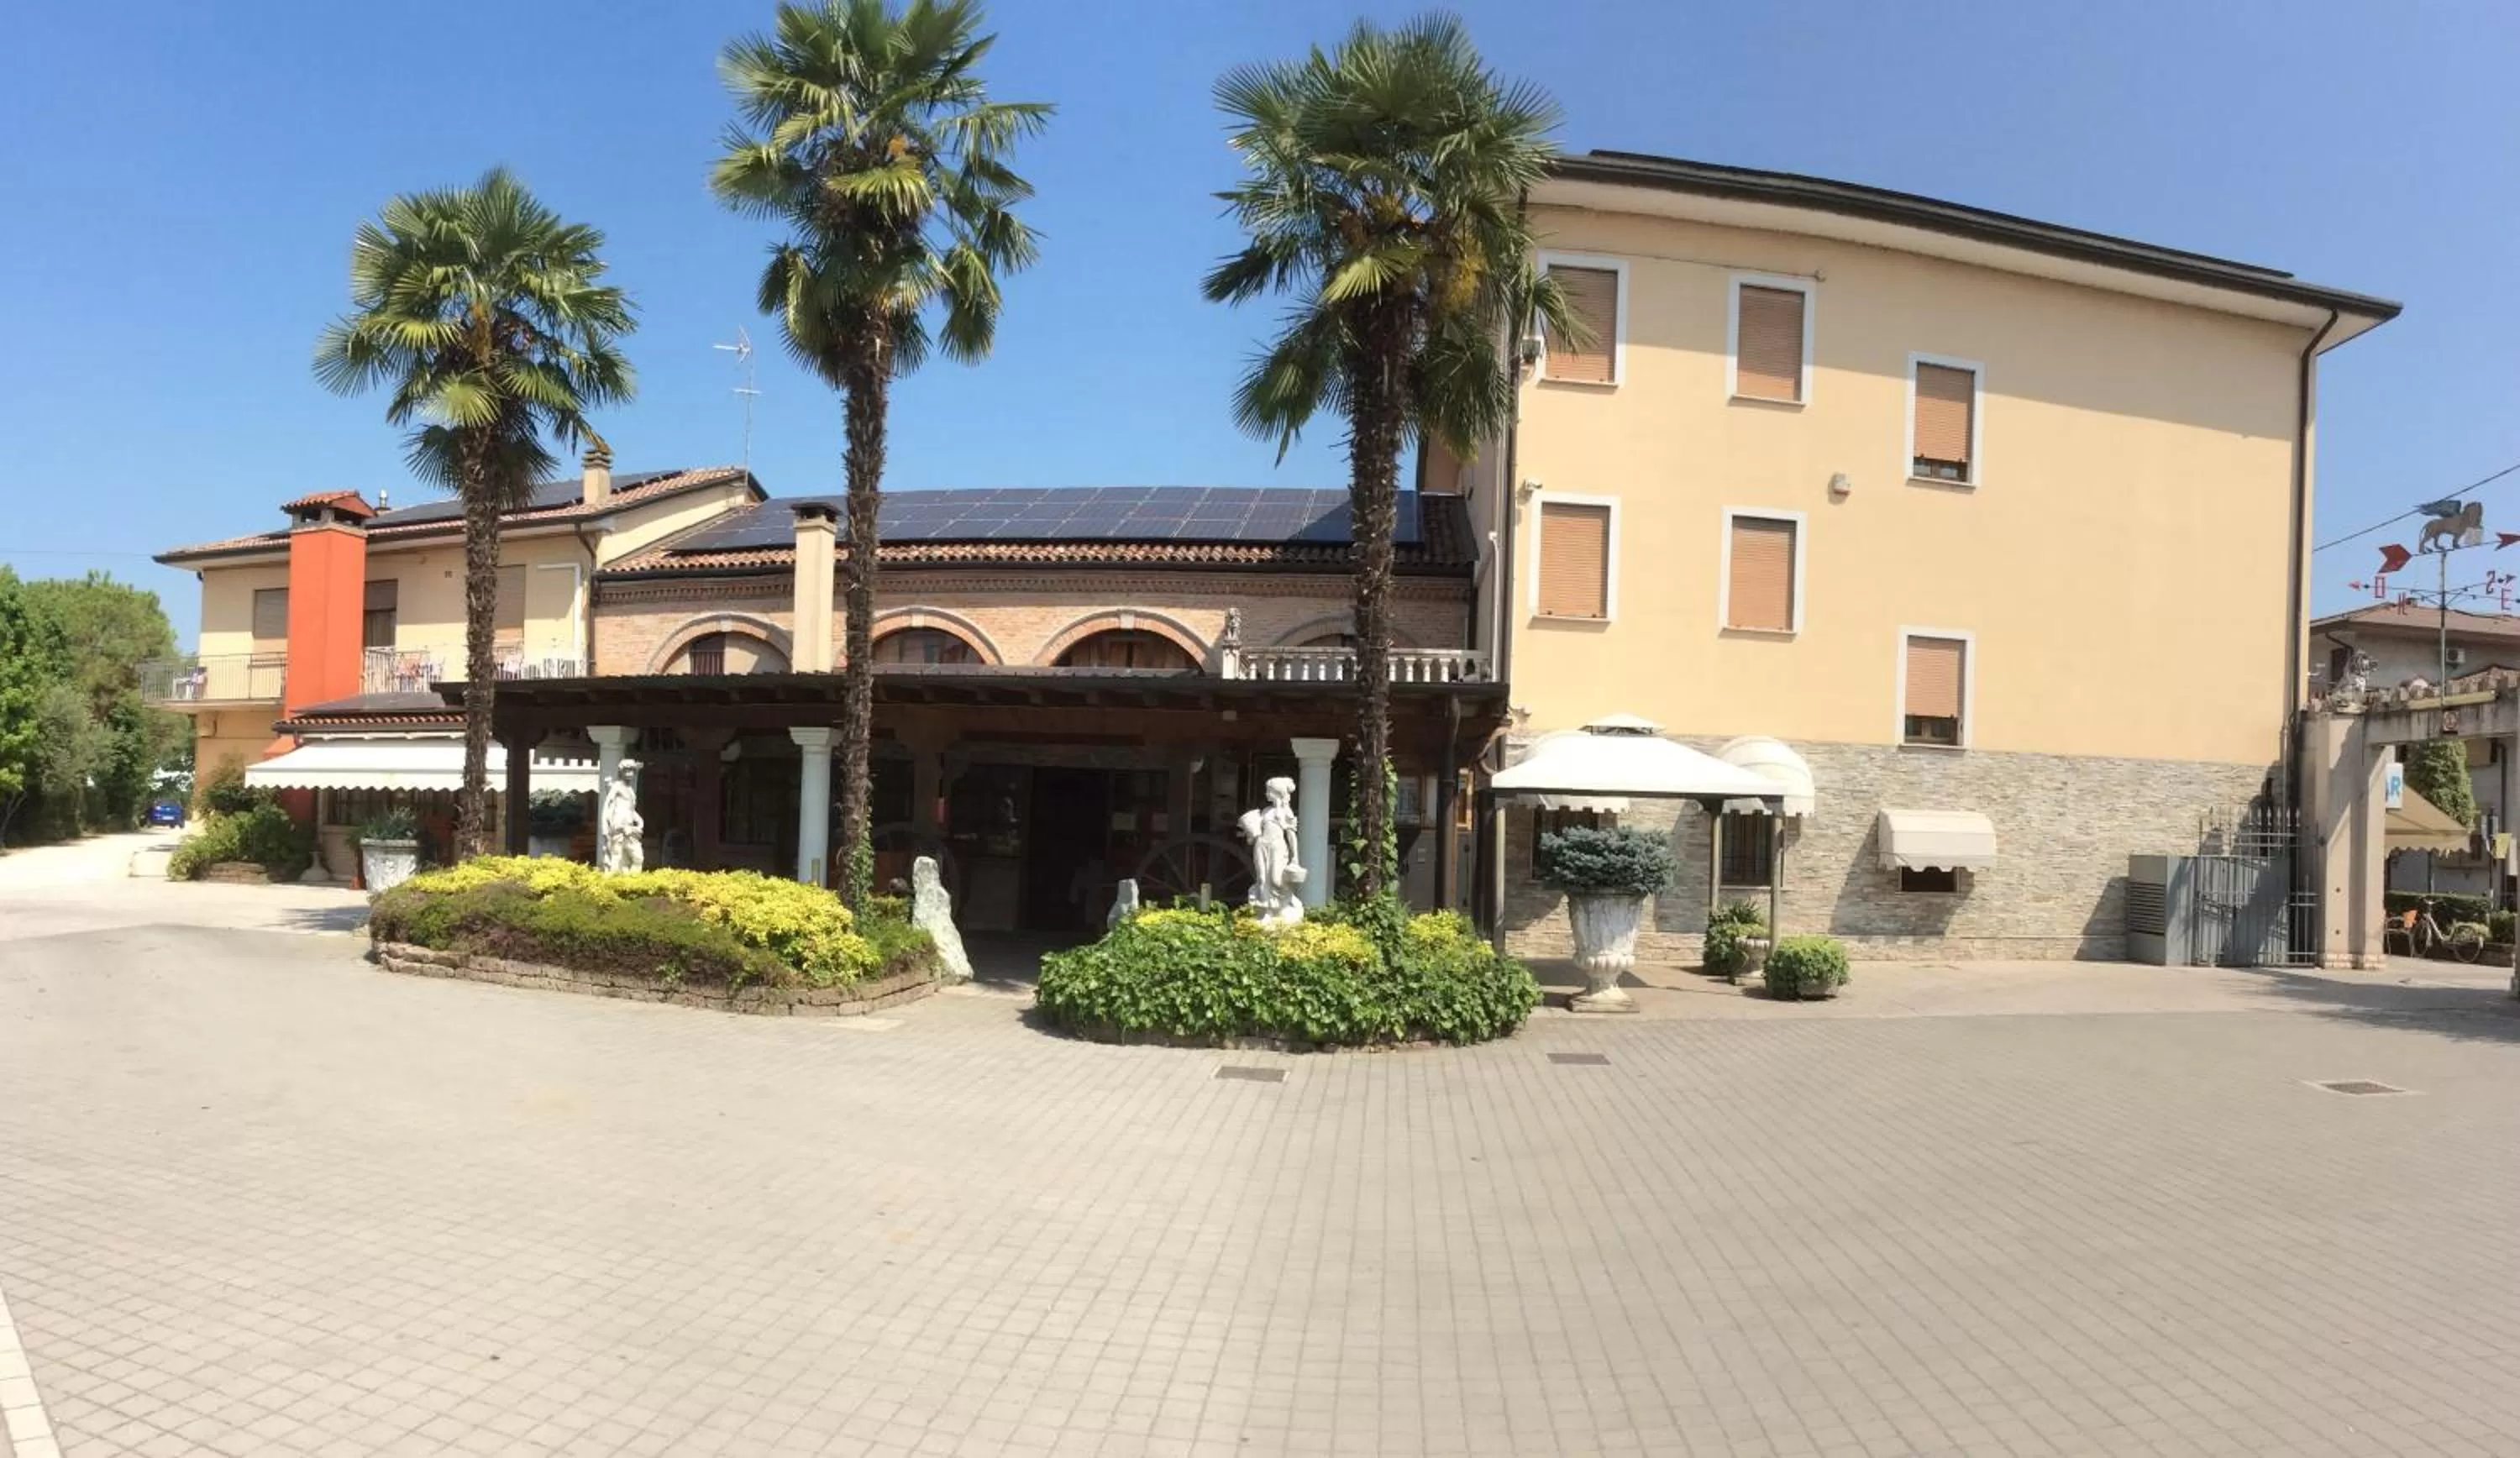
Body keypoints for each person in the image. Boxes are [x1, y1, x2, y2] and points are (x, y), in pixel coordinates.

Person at [1238, 775, 1305, 926]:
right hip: (1262, 845)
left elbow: (1291, 836)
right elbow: (1255, 833)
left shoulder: (1286, 813)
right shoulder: (1265, 811)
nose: (1267, 794)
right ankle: (1266, 911)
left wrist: (1295, 858)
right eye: (1267, 791)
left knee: (1276, 879)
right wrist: (1250, 833)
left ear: (1279, 793)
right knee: (1262, 879)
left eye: (1270, 791)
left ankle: (1288, 902)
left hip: (1277, 847)